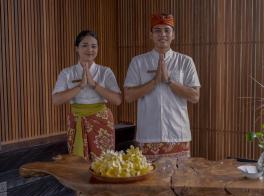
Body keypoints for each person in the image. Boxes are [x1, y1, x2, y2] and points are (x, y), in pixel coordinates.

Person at [124, 13, 201, 160]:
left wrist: (168, 80)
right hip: (147, 135)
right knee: (149, 181)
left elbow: (195, 96)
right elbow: (128, 96)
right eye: (157, 30)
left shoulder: (185, 61)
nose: (162, 34)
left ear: (173, 35)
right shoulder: (138, 62)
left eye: (167, 30)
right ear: (151, 35)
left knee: (179, 181)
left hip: (178, 134)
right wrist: (154, 81)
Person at [52, 30, 121, 161]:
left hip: (102, 122)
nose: (90, 49)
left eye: (94, 46)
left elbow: (117, 100)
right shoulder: (67, 73)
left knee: (104, 163)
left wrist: (94, 84)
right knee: (78, 164)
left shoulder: (105, 72)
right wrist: (80, 86)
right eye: (84, 45)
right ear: (76, 48)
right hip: (77, 120)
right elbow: (56, 100)